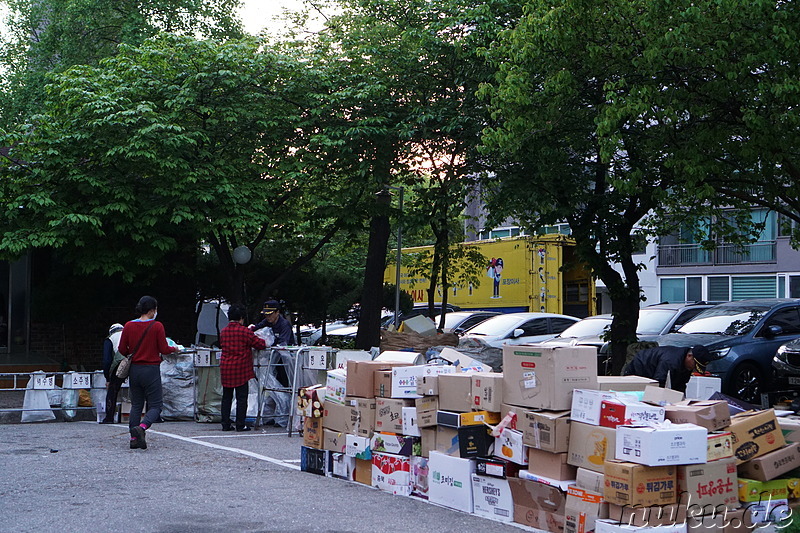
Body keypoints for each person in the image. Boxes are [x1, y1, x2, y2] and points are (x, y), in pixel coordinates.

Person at [118, 295, 179, 450]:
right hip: (151, 369)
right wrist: (175, 349)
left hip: (135, 370)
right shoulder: (157, 326)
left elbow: (121, 349)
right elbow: (164, 349)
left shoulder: (129, 326)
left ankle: (133, 438)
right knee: (156, 405)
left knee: (136, 404)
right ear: (152, 310)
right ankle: (142, 427)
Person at [219, 303, 267, 432]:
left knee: (226, 397)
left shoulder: (223, 332)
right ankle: (240, 424)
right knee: (241, 398)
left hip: (226, 367)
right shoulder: (245, 331)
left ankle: (225, 424)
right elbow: (260, 344)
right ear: (241, 318)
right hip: (240, 369)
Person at [623, 344, 712, 392]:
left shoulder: (686, 363)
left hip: (651, 371)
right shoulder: (671, 361)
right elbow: (660, 383)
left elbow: (681, 385)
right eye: (695, 364)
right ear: (689, 356)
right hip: (639, 369)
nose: (694, 368)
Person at [100, 323, 125, 424]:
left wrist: (108, 378)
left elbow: (107, 360)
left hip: (120, 362)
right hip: (137, 360)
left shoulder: (110, 338)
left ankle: (109, 417)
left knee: (113, 390)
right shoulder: (130, 334)